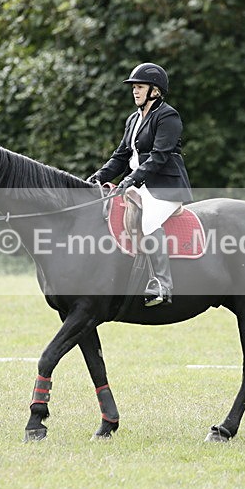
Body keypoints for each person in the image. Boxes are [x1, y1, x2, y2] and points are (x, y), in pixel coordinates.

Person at [87, 62, 193, 307]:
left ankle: (163, 285)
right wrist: (96, 178)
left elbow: (159, 156)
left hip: (165, 188)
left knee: (149, 220)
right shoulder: (133, 119)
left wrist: (131, 179)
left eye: (140, 87)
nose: (135, 91)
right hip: (140, 186)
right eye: (134, 87)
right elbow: (120, 157)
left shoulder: (168, 116)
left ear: (155, 90)